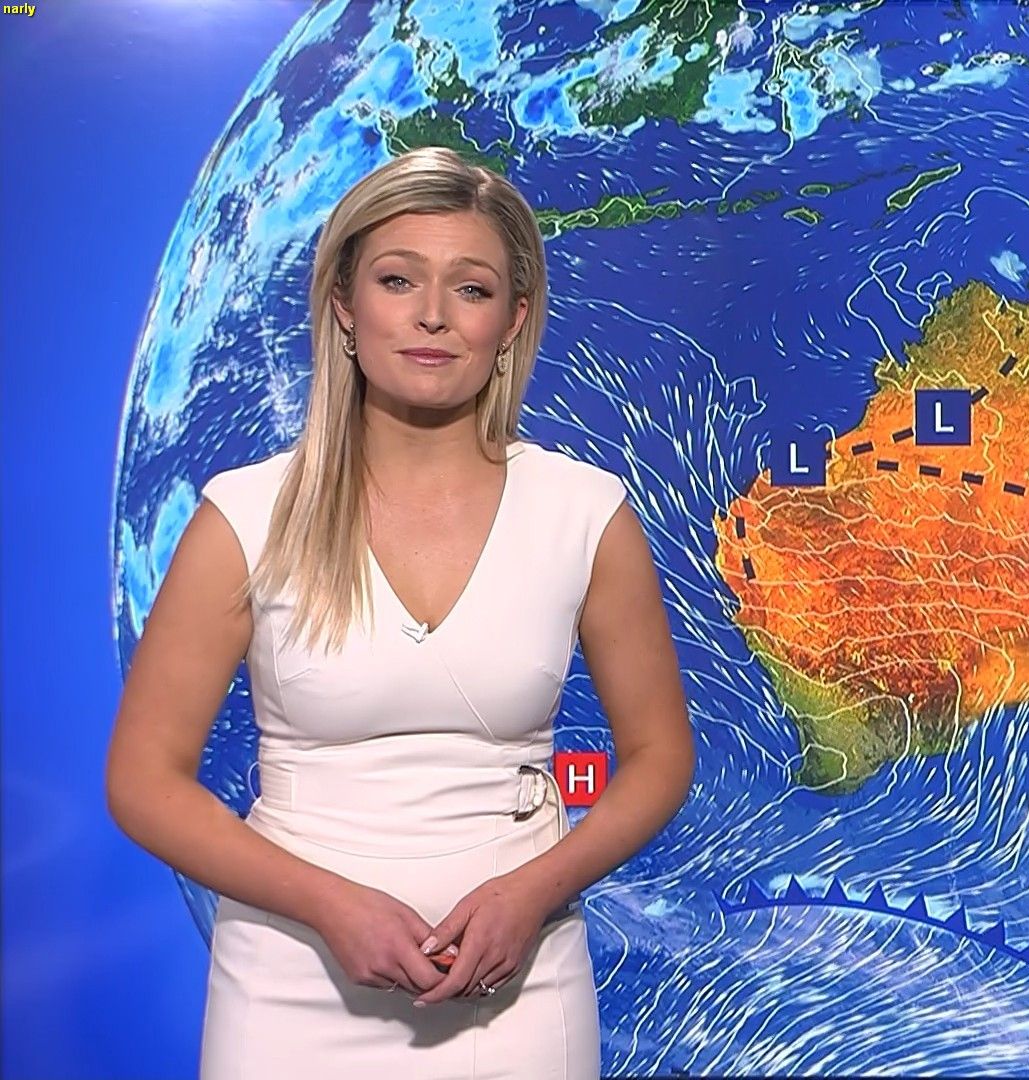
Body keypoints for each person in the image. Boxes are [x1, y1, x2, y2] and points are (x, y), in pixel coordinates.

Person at [104, 146, 695, 1079]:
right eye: (397, 280)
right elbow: (144, 780)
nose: (432, 314)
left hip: (519, 985)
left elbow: (661, 758)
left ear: (512, 320)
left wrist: (532, 893)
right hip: (290, 983)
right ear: (344, 304)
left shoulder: (585, 514)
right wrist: (332, 907)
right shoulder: (247, 517)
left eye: (471, 288)